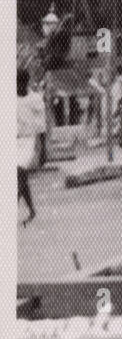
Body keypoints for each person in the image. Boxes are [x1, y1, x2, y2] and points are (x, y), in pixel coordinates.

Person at [17, 68, 44, 225]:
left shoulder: (35, 99)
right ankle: (32, 209)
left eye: (20, 83)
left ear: (26, 83)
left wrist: (40, 150)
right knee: (21, 177)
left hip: (28, 140)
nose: (18, 87)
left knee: (19, 172)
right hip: (13, 140)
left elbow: (41, 127)